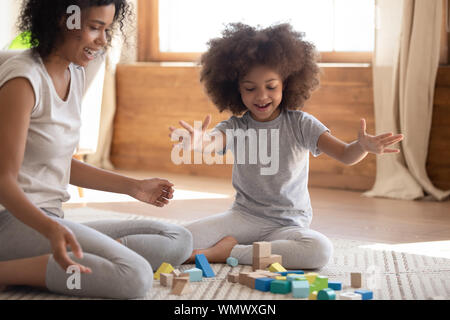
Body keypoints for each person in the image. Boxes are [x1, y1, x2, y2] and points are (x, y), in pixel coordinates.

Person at [170, 23, 403, 270]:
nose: (261, 97)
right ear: (236, 89)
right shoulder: (236, 127)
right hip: (243, 218)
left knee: (318, 250)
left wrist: (362, 146)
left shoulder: (301, 124)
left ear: (287, 83)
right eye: (250, 88)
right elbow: (213, 141)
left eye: (271, 87)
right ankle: (242, 250)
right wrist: (199, 142)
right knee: (175, 239)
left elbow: (346, 154)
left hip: (288, 226)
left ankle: (230, 252)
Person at [0, 0, 192, 299]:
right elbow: (3, 182)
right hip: (10, 221)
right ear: (63, 20)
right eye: (94, 28)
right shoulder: (23, 80)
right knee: (135, 277)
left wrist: (134, 187)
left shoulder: (74, 71)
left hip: (52, 218)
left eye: (106, 29)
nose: (103, 41)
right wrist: (50, 229)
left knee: (177, 238)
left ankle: (83, 260)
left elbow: (60, 162)